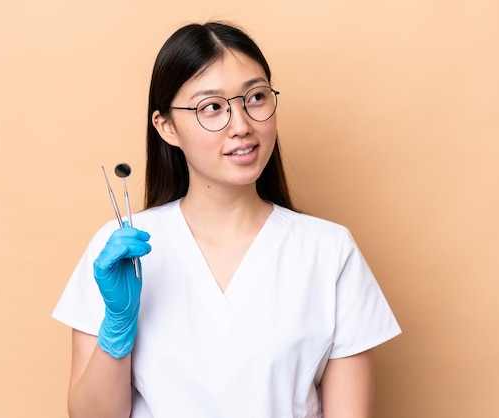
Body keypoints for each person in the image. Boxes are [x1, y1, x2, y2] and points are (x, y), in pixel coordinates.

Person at [53, 21, 401, 418]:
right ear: (166, 126)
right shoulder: (119, 249)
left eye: (255, 97)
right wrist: (116, 331)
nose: (242, 126)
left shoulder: (329, 251)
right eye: (212, 107)